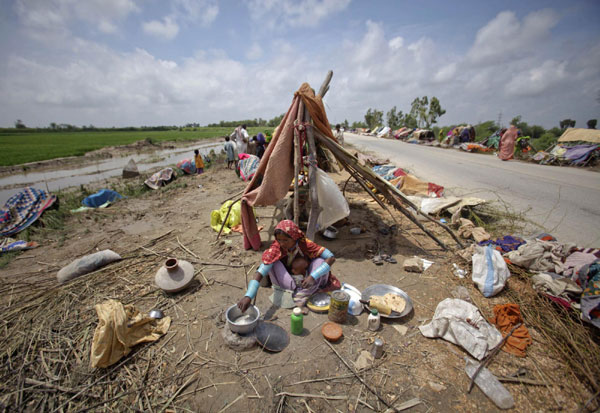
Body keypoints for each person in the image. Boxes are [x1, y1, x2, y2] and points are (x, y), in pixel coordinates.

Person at [237, 220, 338, 314]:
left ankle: (301, 293)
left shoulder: (305, 244)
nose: (282, 243)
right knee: (272, 263)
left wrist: (313, 276)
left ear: (294, 238)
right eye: (279, 240)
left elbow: (331, 258)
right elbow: (260, 273)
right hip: (287, 279)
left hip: (306, 276)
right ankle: (299, 293)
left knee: (320, 261)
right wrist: (248, 296)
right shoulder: (276, 248)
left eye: (286, 240)